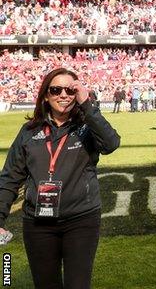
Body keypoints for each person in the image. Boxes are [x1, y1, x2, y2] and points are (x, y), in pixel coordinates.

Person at [0, 67, 120, 289]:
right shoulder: (29, 131)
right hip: (38, 224)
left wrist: (87, 105)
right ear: (46, 95)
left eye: (70, 90)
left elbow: (111, 144)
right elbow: (10, 178)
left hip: (81, 221)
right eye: (56, 90)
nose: (63, 95)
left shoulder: (87, 127)